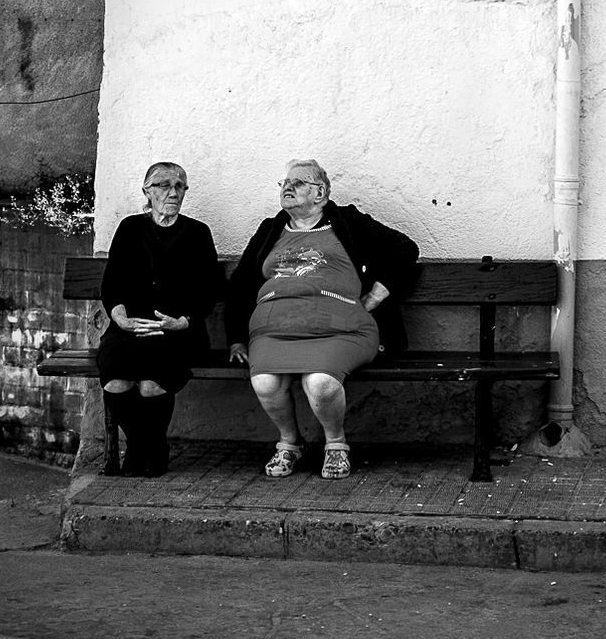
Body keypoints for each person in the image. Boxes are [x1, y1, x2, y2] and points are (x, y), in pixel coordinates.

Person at [226, 159, 419, 480]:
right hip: (274, 331)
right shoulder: (270, 229)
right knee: (264, 382)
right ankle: (289, 443)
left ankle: (336, 443)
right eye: (285, 183)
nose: (288, 187)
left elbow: (404, 250)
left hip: (340, 329)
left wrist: (375, 295)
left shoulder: (348, 221)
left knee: (321, 383)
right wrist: (235, 336)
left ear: (321, 194)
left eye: (299, 183)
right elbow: (241, 285)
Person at [97, 162, 222, 477]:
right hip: (131, 328)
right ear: (147, 192)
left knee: (152, 384)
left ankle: (142, 452)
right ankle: (149, 447)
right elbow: (112, 285)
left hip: (179, 331)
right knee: (115, 380)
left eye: (179, 186)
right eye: (164, 185)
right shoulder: (130, 228)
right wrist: (120, 317)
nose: (173, 192)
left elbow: (209, 290)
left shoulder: (197, 233)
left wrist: (181, 321)